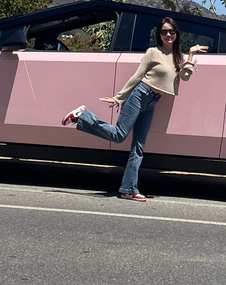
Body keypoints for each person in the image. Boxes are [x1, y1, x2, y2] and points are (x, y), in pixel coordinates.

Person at [61, 17, 208, 202]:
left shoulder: (178, 56)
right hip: (140, 95)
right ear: (159, 35)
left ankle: (128, 189)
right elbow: (137, 76)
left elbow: (185, 77)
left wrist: (191, 55)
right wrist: (119, 97)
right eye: (164, 32)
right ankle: (83, 116)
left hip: (153, 102)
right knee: (119, 135)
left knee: (138, 148)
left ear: (177, 33)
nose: (168, 35)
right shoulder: (153, 52)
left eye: (171, 31)